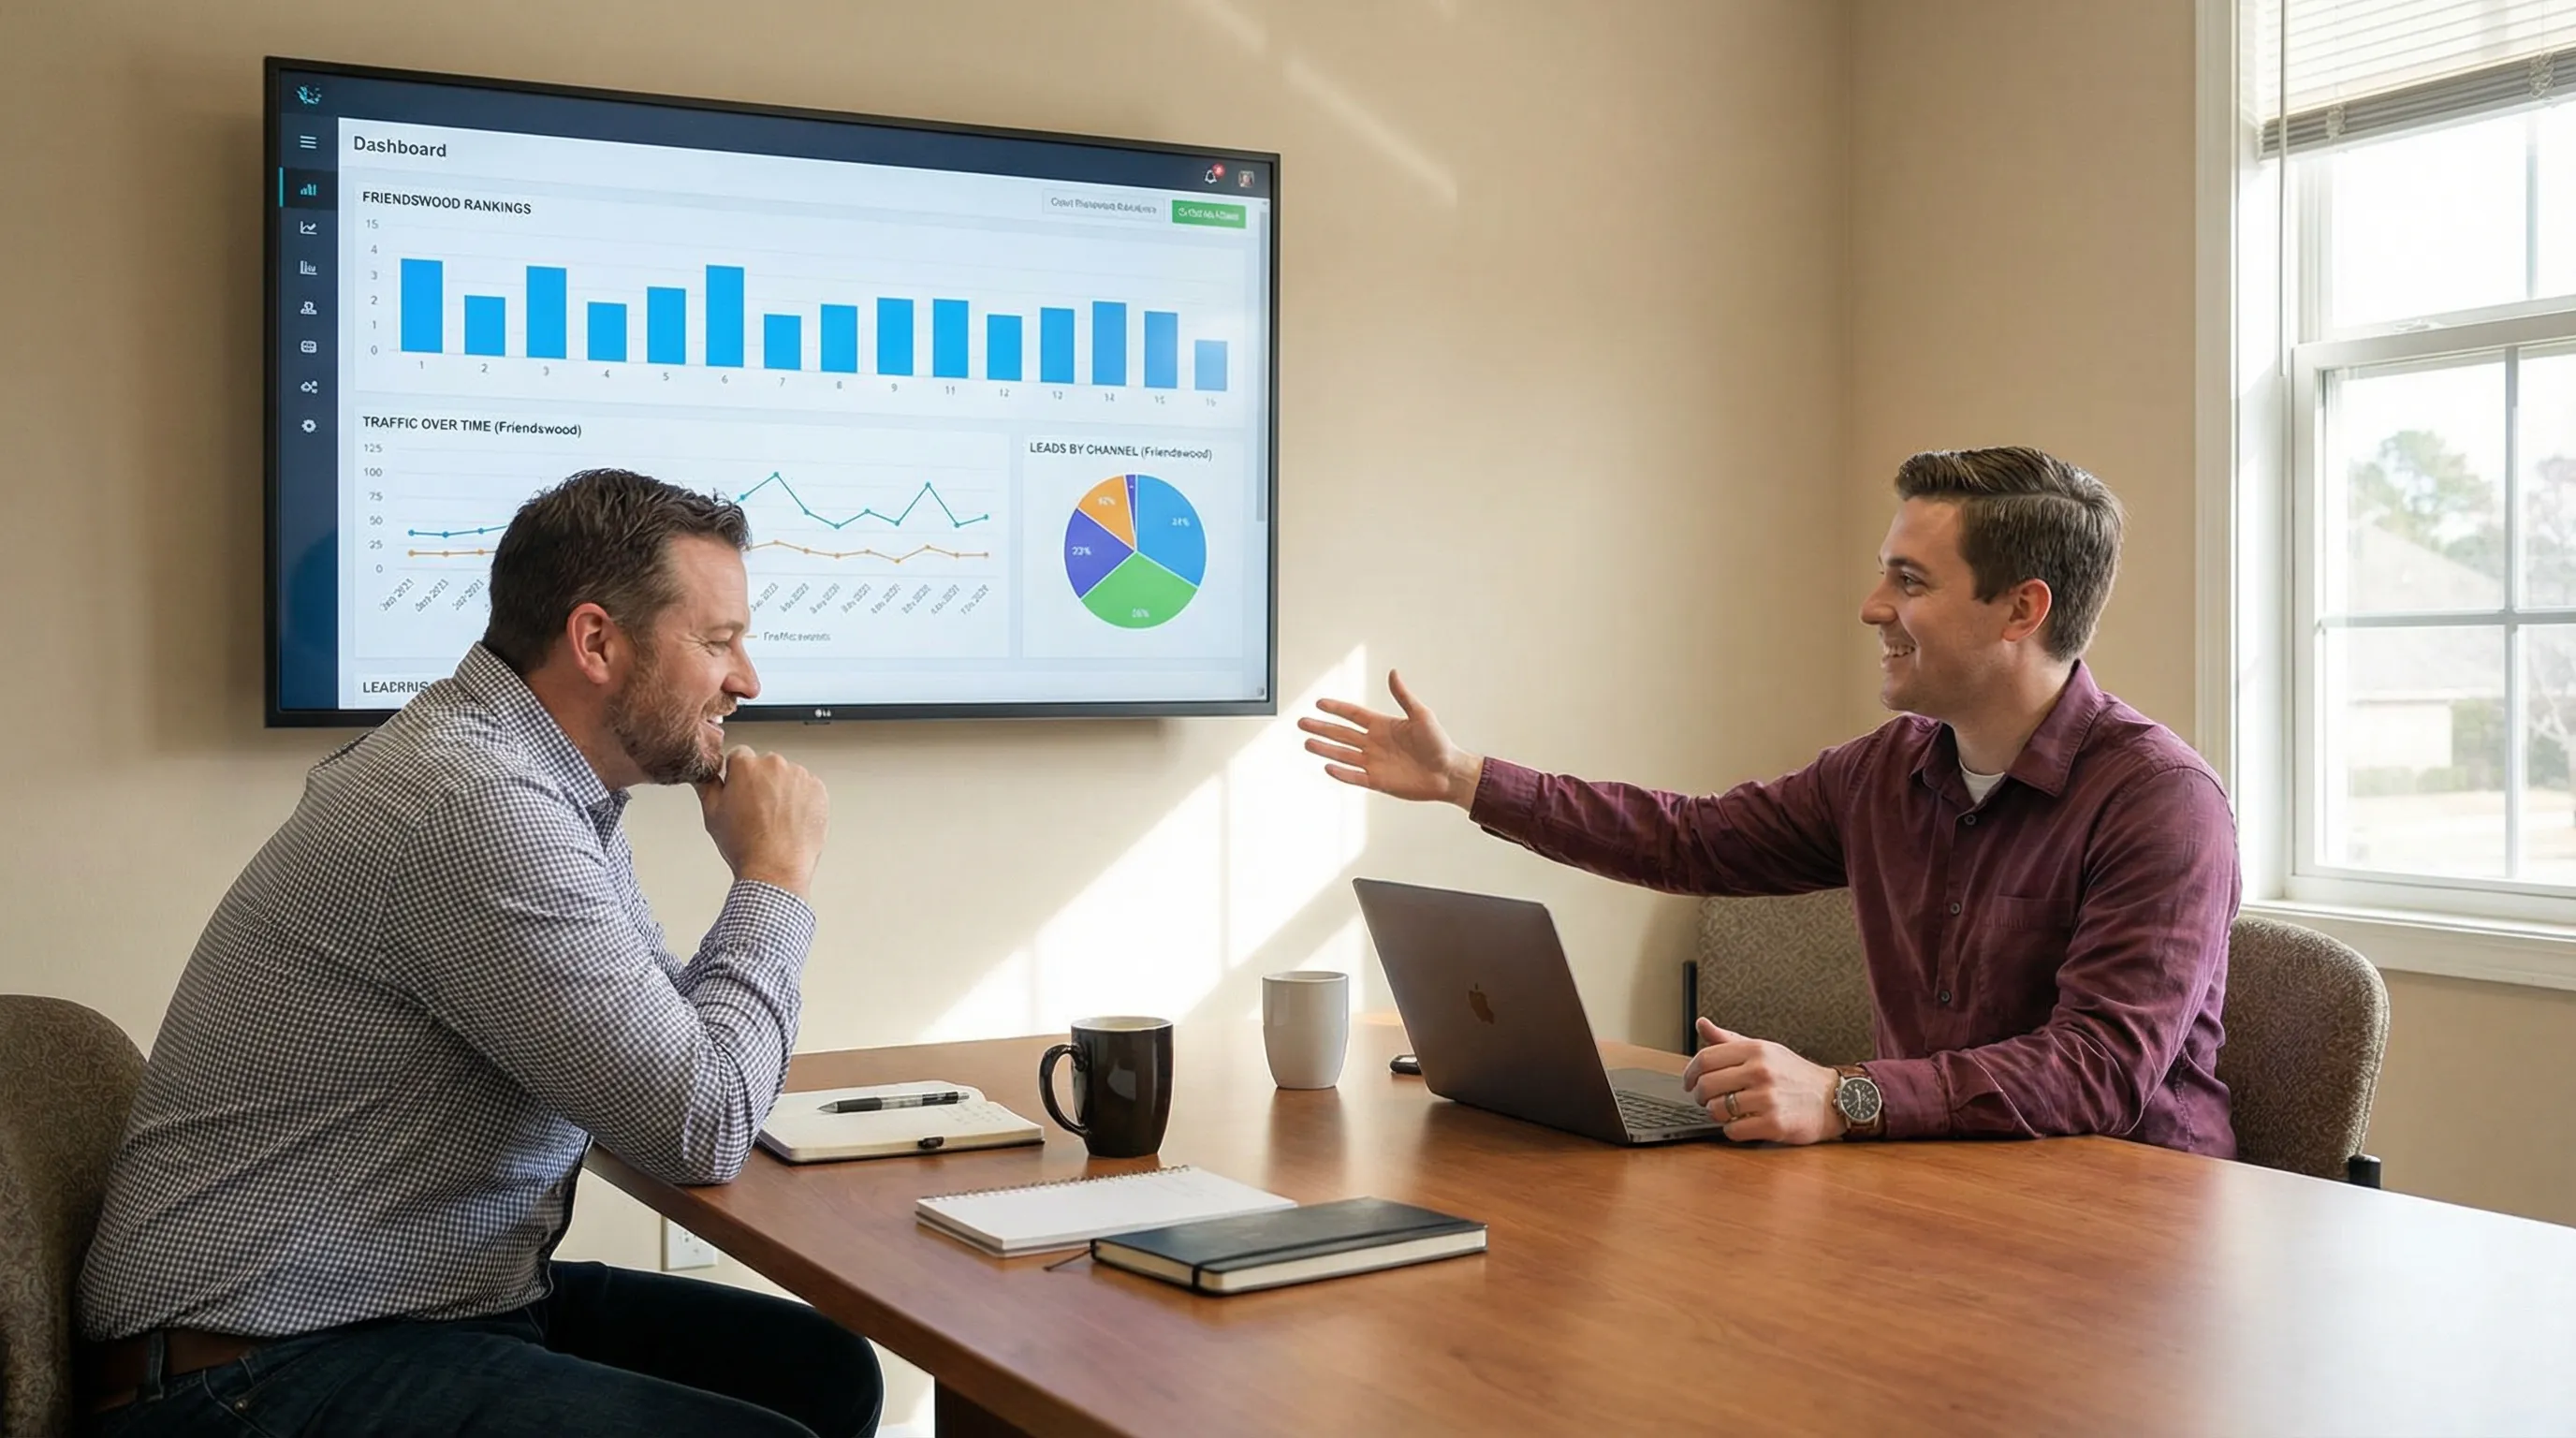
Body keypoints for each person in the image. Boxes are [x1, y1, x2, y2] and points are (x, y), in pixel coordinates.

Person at [77, 470, 880, 1436]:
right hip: (248, 1367)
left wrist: (756, 906)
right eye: (718, 643)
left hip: (415, 1304)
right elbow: (697, 1124)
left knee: (821, 1372)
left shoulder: (540, 784)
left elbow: (666, 1060)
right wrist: (775, 875)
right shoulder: (475, 803)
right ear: (595, 641)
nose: (748, 680)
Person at [1302, 447, 2239, 1156]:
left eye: (1908, 581)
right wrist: (1465, 779)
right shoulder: (1884, 773)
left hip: (2124, 1225)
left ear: (2021, 610)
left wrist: (1843, 1097)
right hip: (1936, 1189)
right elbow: (1691, 841)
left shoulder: (2159, 804)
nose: (1873, 606)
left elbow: (2099, 1073)